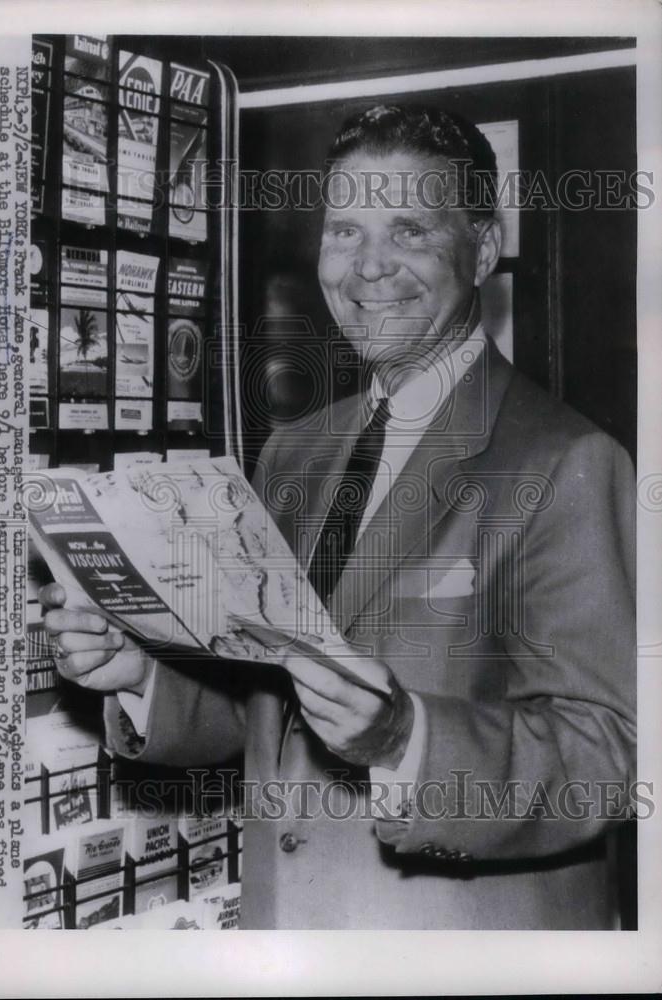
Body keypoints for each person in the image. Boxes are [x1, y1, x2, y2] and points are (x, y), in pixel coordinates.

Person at [41, 104, 636, 929]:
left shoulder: (566, 461)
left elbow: (608, 752)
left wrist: (406, 740)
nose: (367, 268)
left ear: (483, 249)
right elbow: (273, 698)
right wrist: (140, 675)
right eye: (344, 230)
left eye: (409, 232)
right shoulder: (295, 450)